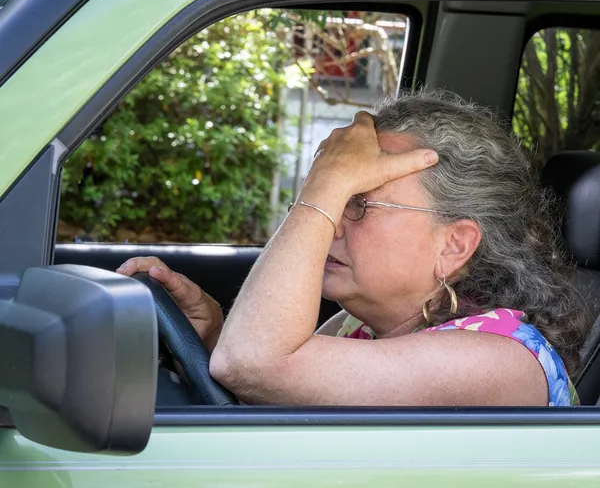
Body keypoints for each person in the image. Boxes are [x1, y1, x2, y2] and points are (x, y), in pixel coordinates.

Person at [117, 90, 592, 406]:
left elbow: (255, 365)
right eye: (336, 198)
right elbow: (272, 388)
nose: (332, 223)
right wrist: (215, 337)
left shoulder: (498, 362)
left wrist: (324, 185)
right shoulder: (356, 327)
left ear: (454, 245)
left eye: (359, 202)